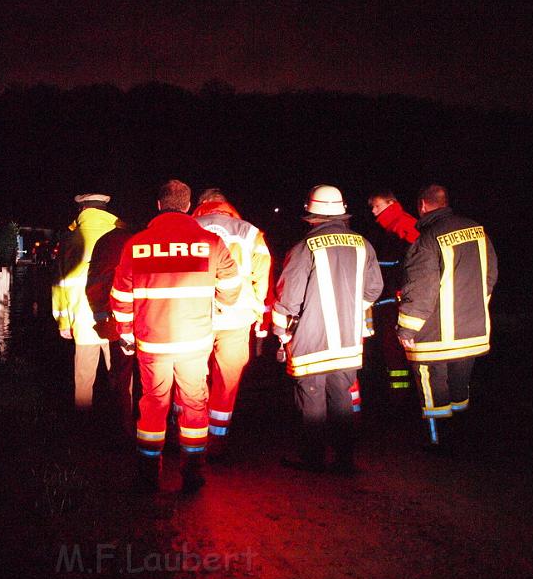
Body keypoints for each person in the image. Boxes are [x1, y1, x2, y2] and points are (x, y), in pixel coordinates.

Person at [110, 179, 241, 493]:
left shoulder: (135, 244)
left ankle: (147, 475)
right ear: (187, 206)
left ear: (158, 205)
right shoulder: (210, 242)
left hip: (152, 342)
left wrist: (127, 335)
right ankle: (192, 473)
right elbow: (233, 287)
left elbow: (120, 297)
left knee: (153, 404)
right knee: (194, 404)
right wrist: (221, 304)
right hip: (195, 342)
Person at [272, 185, 383, 474]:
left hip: (311, 340)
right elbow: (373, 289)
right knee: (342, 396)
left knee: (311, 398)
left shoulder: (303, 247)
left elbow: (288, 299)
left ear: (311, 215)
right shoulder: (364, 244)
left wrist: (280, 332)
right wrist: (348, 309)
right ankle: (345, 460)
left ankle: (313, 459)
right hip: (348, 341)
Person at [396, 184, 498, 453]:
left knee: (434, 392)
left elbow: (420, 289)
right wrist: (475, 307)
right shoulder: (477, 229)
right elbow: (490, 276)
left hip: (434, 339)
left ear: (422, 206)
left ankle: (439, 444)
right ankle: (463, 439)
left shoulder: (428, 238)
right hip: (472, 333)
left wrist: (406, 329)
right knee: (460, 389)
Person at [191, 188, 271, 461]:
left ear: (201, 205)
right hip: (236, 316)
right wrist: (260, 315)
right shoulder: (249, 231)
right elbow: (261, 277)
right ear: (227, 205)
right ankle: (217, 440)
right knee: (227, 379)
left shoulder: (189, 227)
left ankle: (190, 436)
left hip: (194, 316)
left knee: (191, 378)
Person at [52, 193, 126, 412]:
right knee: (120, 376)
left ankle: (83, 428)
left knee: (84, 379)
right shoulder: (121, 235)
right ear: (105, 210)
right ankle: (122, 422)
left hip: (83, 319)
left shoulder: (70, 239)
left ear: (82, 210)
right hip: (117, 318)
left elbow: (60, 284)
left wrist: (64, 321)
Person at [367, 189, 420, 400]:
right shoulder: (388, 227)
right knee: (393, 350)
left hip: (395, 299)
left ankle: (402, 397)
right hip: (389, 298)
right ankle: (401, 393)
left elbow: (409, 264)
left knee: (396, 348)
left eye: (377, 205)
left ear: (391, 203)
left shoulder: (402, 225)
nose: (373, 210)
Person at [86, 222, 136, 441]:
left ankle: (124, 431)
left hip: (118, 320)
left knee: (122, 378)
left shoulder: (108, 241)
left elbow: (96, 281)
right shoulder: (159, 237)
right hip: (158, 322)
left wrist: (101, 315)